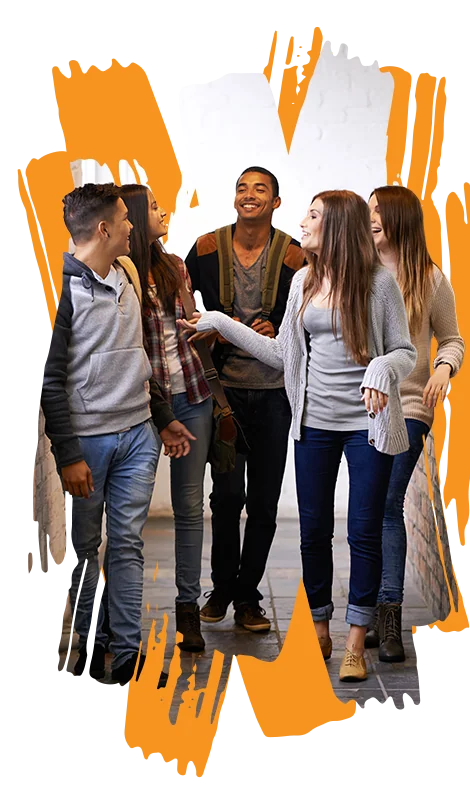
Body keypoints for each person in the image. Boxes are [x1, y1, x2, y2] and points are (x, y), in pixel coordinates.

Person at [178, 189, 418, 681]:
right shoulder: (305, 280)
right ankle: (321, 624)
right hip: (314, 424)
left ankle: (356, 638)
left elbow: (405, 352)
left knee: (364, 530)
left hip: (366, 425)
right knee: (313, 532)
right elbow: (282, 353)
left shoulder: (378, 283)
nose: (302, 223)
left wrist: (379, 369)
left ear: (337, 227)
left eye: (312, 215)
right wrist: (221, 322)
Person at [41, 183, 195, 684]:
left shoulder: (129, 271)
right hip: (87, 443)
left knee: (126, 544)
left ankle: (127, 650)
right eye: (125, 219)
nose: (133, 226)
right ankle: (92, 640)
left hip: (137, 435)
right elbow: (50, 379)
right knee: (85, 544)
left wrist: (162, 415)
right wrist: (68, 456)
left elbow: (140, 357)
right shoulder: (58, 290)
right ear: (104, 228)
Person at [183, 167, 305, 632]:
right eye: (241, 187)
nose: (248, 195)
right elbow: (180, 301)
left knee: (265, 502)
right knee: (227, 496)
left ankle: (248, 598)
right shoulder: (207, 247)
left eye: (260, 189)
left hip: (275, 394)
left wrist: (283, 328)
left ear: (276, 201)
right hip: (224, 393)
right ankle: (221, 589)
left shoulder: (295, 255)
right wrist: (201, 332)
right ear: (234, 197)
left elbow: (311, 313)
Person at [365, 185, 465, 661]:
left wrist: (444, 367)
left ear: (401, 218)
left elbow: (452, 339)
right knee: (368, 510)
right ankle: (362, 614)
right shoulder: (358, 275)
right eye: (368, 212)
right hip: (361, 407)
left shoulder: (429, 277)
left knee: (386, 504)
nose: (370, 219)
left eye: (378, 212)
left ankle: (388, 619)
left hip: (409, 404)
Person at [117, 183, 214, 653]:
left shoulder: (175, 266)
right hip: (141, 406)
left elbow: (192, 324)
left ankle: (188, 610)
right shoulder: (118, 275)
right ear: (132, 216)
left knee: (190, 509)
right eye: (153, 206)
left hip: (193, 396)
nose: (162, 212)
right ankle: (122, 626)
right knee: (131, 517)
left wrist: (207, 325)